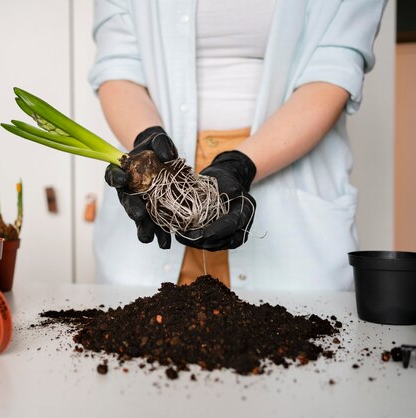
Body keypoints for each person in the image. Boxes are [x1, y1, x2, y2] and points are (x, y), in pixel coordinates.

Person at [88, 0, 387, 290]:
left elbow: (332, 70)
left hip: (281, 162)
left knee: (282, 331)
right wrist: (146, 145)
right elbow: (119, 66)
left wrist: (240, 164)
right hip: (164, 167)